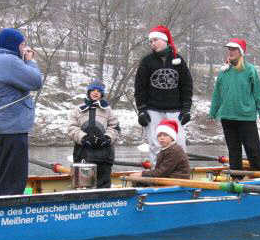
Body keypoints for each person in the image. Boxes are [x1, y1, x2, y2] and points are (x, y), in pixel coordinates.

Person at [0, 28, 42, 196]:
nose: (25, 49)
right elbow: (36, 81)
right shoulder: (9, 61)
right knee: (14, 178)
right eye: (22, 45)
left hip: (3, 127)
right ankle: (7, 214)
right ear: (13, 45)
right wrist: (30, 61)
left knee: (1, 175)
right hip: (12, 128)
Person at [134, 25, 193, 165]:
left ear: (164, 40)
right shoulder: (147, 61)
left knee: (178, 143)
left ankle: (180, 173)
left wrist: (186, 108)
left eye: (155, 40)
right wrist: (141, 110)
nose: (152, 43)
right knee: (155, 144)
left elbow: (187, 86)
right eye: (151, 41)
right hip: (153, 109)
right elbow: (139, 87)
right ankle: (157, 173)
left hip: (175, 110)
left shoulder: (178, 61)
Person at [209, 38, 260, 175]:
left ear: (240, 52)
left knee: (253, 149)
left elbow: (258, 92)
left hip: (246, 116)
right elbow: (217, 94)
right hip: (227, 116)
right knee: (233, 150)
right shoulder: (223, 71)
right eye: (229, 49)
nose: (230, 51)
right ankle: (237, 178)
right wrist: (213, 112)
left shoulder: (250, 70)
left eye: (234, 49)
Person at [68, 80, 120, 188]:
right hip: (83, 153)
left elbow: (115, 128)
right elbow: (72, 128)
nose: (96, 93)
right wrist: (83, 138)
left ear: (102, 94)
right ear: (89, 92)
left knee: (104, 186)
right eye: (93, 90)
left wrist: (107, 138)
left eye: (99, 91)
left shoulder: (108, 110)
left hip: (104, 155)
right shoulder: (77, 110)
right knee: (83, 186)